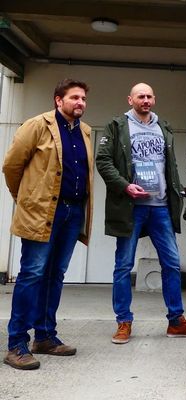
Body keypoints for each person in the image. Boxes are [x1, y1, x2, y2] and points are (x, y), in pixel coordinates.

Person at [96, 83, 186, 345]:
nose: (145, 100)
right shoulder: (117, 126)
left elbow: (170, 165)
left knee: (172, 264)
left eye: (149, 96)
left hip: (161, 208)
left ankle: (176, 321)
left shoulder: (162, 127)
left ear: (154, 99)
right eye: (140, 96)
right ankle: (124, 321)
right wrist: (124, 185)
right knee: (123, 265)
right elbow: (102, 160)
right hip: (131, 207)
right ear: (130, 98)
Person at [2, 79, 93, 370]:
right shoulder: (36, 126)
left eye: (83, 99)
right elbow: (12, 166)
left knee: (55, 275)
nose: (80, 103)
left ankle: (44, 336)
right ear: (58, 100)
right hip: (43, 212)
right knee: (32, 274)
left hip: (72, 213)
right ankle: (16, 344)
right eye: (74, 98)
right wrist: (25, 198)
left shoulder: (85, 131)